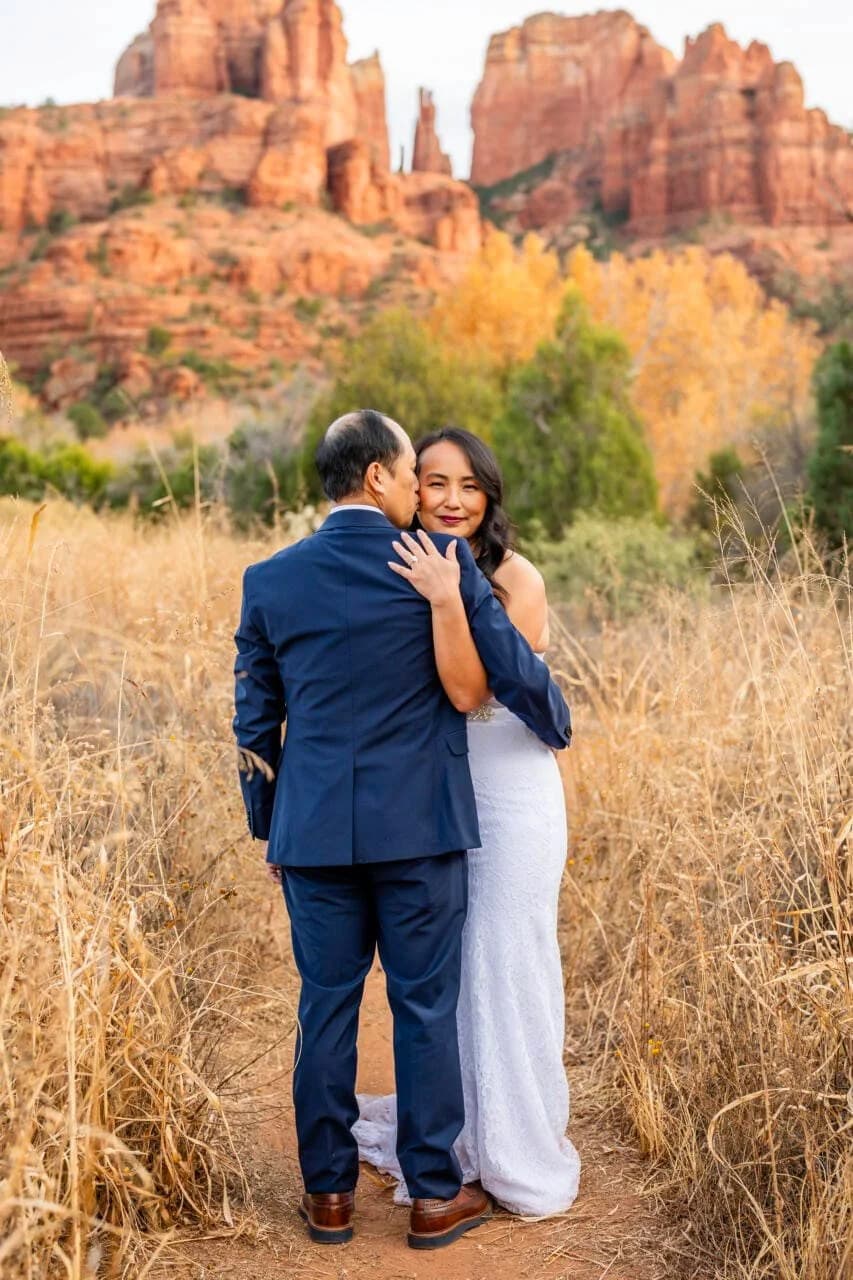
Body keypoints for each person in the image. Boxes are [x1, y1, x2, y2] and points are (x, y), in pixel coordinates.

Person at [232, 410, 572, 1251]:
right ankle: (430, 1196)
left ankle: (328, 1198)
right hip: (421, 831)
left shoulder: (268, 580)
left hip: (311, 837)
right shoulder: (439, 566)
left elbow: (253, 725)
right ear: (381, 476)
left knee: (327, 1006)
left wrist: (270, 830)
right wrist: (554, 719)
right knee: (424, 1007)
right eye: (416, 470)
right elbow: (520, 683)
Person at [355, 426, 580, 1217]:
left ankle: (514, 1147)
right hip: (436, 794)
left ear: (489, 494)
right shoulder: (400, 568)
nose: (451, 500)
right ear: (408, 488)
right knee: (447, 970)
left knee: (509, 961)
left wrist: (447, 596)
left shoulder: (515, 577)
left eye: (468, 485)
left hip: (512, 793)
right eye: (435, 482)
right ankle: (453, 1140)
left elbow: (468, 691)